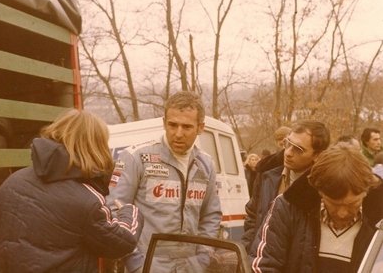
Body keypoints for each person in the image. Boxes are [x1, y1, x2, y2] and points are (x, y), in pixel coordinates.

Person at [0, 109, 143, 273]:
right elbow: (120, 244)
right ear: (95, 146)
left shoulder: (13, 180)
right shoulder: (87, 200)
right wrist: (130, 212)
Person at [107, 91, 222, 273]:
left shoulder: (206, 164)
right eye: (172, 125)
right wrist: (135, 261)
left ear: (201, 127)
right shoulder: (136, 158)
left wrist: (204, 256)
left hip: (191, 267)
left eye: (186, 127)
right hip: (147, 264)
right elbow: (115, 209)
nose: (178, 133)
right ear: (164, 123)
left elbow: (211, 214)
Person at [250, 143, 383, 272]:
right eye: (334, 204)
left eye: (352, 204)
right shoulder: (289, 208)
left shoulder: (379, 220)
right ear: (319, 191)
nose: (342, 213)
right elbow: (263, 265)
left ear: (367, 191)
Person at [241, 120, 330, 253]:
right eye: (288, 143)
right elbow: (253, 215)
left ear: (317, 155)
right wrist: (248, 250)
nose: (288, 152)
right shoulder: (266, 175)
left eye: (298, 149)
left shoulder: (322, 187)